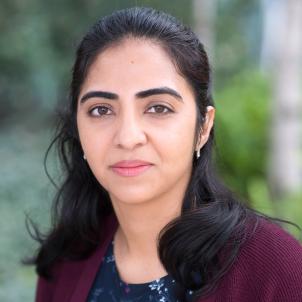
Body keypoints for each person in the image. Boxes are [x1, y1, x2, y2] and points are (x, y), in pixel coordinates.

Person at [30, 7, 302, 302]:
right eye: (101, 110)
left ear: (203, 127)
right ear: (78, 128)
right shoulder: (66, 260)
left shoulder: (278, 272)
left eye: (158, 108)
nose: (128, 137)